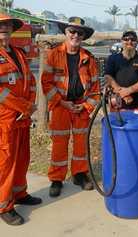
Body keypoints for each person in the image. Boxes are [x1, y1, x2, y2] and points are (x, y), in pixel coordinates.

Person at [41, 17, 100, 197]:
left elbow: (95, 88)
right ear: (65, 33)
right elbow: (46, 83)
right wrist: (61, 102)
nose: (75, 35)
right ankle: (56, 179)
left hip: (81, 107)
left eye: (79, 33)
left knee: (81, 143)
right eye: (71, 31)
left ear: (83, 36)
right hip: (61, 107)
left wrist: (85, 106)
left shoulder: (88, 58)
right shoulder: (54, 54)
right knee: (59, 143)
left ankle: (79, 174)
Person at [0, 13, 41, 226]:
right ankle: (4, 205)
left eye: (7, 25)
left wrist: (30, 106)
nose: (3, 28)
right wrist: (24, 107)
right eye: (0, 25)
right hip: (4, 120)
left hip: (22, 117)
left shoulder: (18, 52)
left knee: (22, 158)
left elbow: (31, 81)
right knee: (4, 162)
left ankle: (19, 193)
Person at [104, 30, 138, 111]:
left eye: (133, 39)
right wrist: (122, 94)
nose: (129, 41)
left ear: (137, 42)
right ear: (121, 41)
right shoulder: (113, 58)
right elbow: (108, 77)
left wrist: (129, 90)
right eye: (126, 39)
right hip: (117, 105)